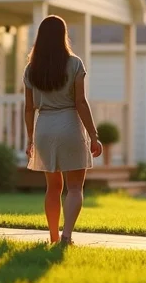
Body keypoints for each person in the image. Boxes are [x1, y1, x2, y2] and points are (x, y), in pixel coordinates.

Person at [24, 15, 103, 245]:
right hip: (69, 125)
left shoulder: (31, 69)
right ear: (63, 36)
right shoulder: (75, 63)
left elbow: (29, 108)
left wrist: (30, 138)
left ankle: (52, 237)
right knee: (75, 187)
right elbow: (80, 102)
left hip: (44, 128)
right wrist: (94, 135)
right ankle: (67, 235)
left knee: (53, 188)